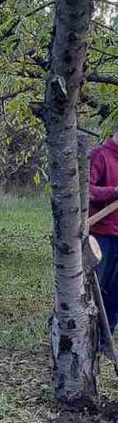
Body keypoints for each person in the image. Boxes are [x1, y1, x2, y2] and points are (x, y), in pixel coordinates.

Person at [89, 131, 118, 329]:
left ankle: (104, 341)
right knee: (96, 290)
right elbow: (85, 190)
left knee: (116, 294)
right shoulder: (99, 155)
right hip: (101, 237)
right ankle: (85, 341)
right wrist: (114, 191)